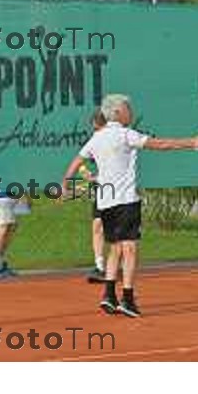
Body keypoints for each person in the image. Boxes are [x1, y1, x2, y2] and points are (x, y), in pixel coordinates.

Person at [62, 94, 198, 317]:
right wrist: (193, 143)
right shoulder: (125, 134)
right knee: (129, 249)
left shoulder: (97, 138)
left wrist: (65, 184)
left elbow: (76, 161)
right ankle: (127, 299)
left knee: (116, 249)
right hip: (126, 202)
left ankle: (109, 296)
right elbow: (162, 145)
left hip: (106, 203)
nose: (131, 111)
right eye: (128, 108)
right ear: (118, 112)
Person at [83, 108, 107, 283]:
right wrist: (90, 176)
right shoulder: (94, 142)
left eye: (97, 128)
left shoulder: (118, 140)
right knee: (97, 225)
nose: (95, 132)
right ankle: (100, 267)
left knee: (116, 232)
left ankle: (115, 266)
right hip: (102, 189)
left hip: (119, 191)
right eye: (94, 128)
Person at [0, 191, 31, 278]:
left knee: (10, 228)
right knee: (4, 228)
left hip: (8, 196)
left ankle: (0, 262)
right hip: (3, 198)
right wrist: (26, 196)